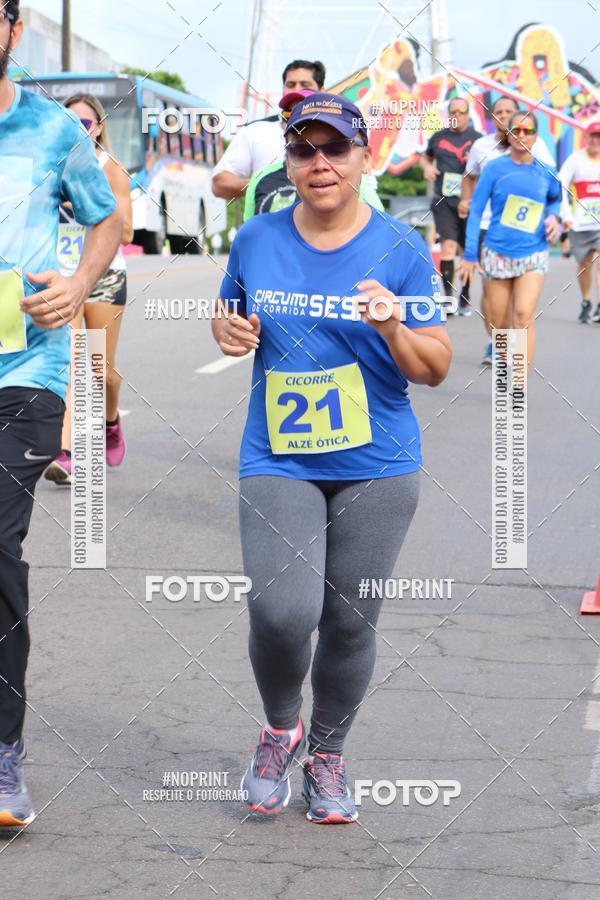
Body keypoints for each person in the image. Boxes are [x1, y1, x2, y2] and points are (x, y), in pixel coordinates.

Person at [212, 92, 451, 824]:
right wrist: (227, 332)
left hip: (378, 461)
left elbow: (435, 367)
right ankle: (279, 729)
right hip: (279, 455)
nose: (319, 163)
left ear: (362, 157)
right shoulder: (256, 238)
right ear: (287, 163)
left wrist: (393, 328)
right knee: (282, 612)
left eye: (335, 148)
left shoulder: (401, 249)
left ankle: (327, 754)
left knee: (349, 620)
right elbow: (229, 314)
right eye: (303, 150)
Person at [0, 2, 122, 828]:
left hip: (26, 367)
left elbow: (106, 217)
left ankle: (2, 753)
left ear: (13, 29)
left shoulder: (51, 129)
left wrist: (78, 285)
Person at [44, 93, 133, 485]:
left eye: (84, 124)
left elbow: (125, 232)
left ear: (98, 128)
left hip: (104, 277)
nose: (77, 131)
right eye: (69, 123)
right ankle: (64, 454)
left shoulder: (110, 168)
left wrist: (83, 201)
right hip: (63, 278)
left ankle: (111, 420)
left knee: (102, 371)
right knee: (67, 365)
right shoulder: (48, 167)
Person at [460, 110, 561, 369]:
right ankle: (505, 371)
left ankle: (519, 382)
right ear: (508, 133)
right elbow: (475, 211)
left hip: (533, 252)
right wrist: (470, 255)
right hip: (497, 252)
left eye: (528, 131)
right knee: (500, 323)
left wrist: (554, 217)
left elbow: (555, 200)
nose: (521, 135)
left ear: (536, 136)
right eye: (516, 130)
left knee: (524, 315)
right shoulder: (494, 169)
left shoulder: (547, 171)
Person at [243, 89, 384, 219]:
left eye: (337, 150)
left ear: (365, 158)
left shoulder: (386, 230)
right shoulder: (262, 180)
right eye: (303, 151)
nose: (320, 165)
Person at [211, 60, 326, 201]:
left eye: (305, 85)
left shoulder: (338, 132)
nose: (297, 90)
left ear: (322, 91)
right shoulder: (255, 131)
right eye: (290, 85)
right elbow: (219, 184)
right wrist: (264, 183)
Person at [421, 98, 481, 315]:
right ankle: (447, 297)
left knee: (466, 250)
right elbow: (425, 158)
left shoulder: (478, 140)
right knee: (448, 246)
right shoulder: (438, 137)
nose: (457, 115)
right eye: (453, 111)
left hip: (470, 201)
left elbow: (488, 169)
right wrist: (427, 167)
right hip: (443, 200)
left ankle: (465, 295)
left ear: (468, 115)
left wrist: (474, 160)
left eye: (461, 111)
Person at [558, 120, 600, 324]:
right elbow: (561, 185)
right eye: (593, 136)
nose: (596, 140)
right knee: (584, 263)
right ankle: (586, 301)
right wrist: (566, 215)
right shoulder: (575, 160)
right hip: (581, 223)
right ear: (586, 137)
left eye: (599, 136)